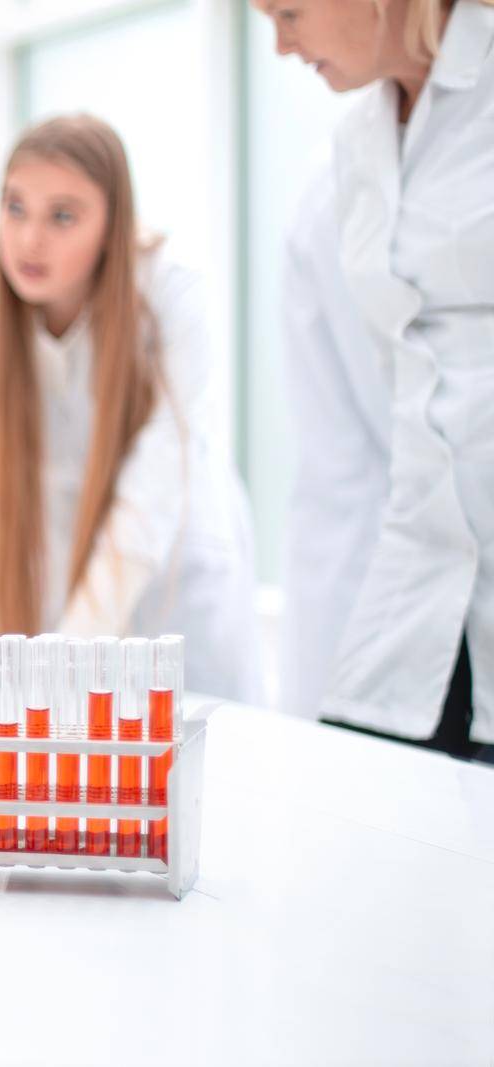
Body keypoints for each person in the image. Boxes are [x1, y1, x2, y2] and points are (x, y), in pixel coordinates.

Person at [0, 115, 261, 702]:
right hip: (37, 566)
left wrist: (70, 652)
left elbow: (153, 485)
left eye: (62, 216)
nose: (29, 240)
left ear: (113, 225)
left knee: (189, 757)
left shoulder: (169, 295)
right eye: (15, 208)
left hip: (167, 577)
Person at [258, 0, 493, 758]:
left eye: (288, 14)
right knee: (374, 836)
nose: (280, 46)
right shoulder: (358, 145)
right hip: (419, 591)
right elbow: (401, 398)